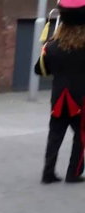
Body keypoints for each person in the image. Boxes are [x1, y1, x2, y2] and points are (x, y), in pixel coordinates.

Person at [35, 0, 85, 184]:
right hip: (81, 98)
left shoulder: (52, 46)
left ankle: (48, 173)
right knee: (80, 137)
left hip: (58, 97)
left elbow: (39, 70)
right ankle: (74, 173)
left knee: (54, 135)